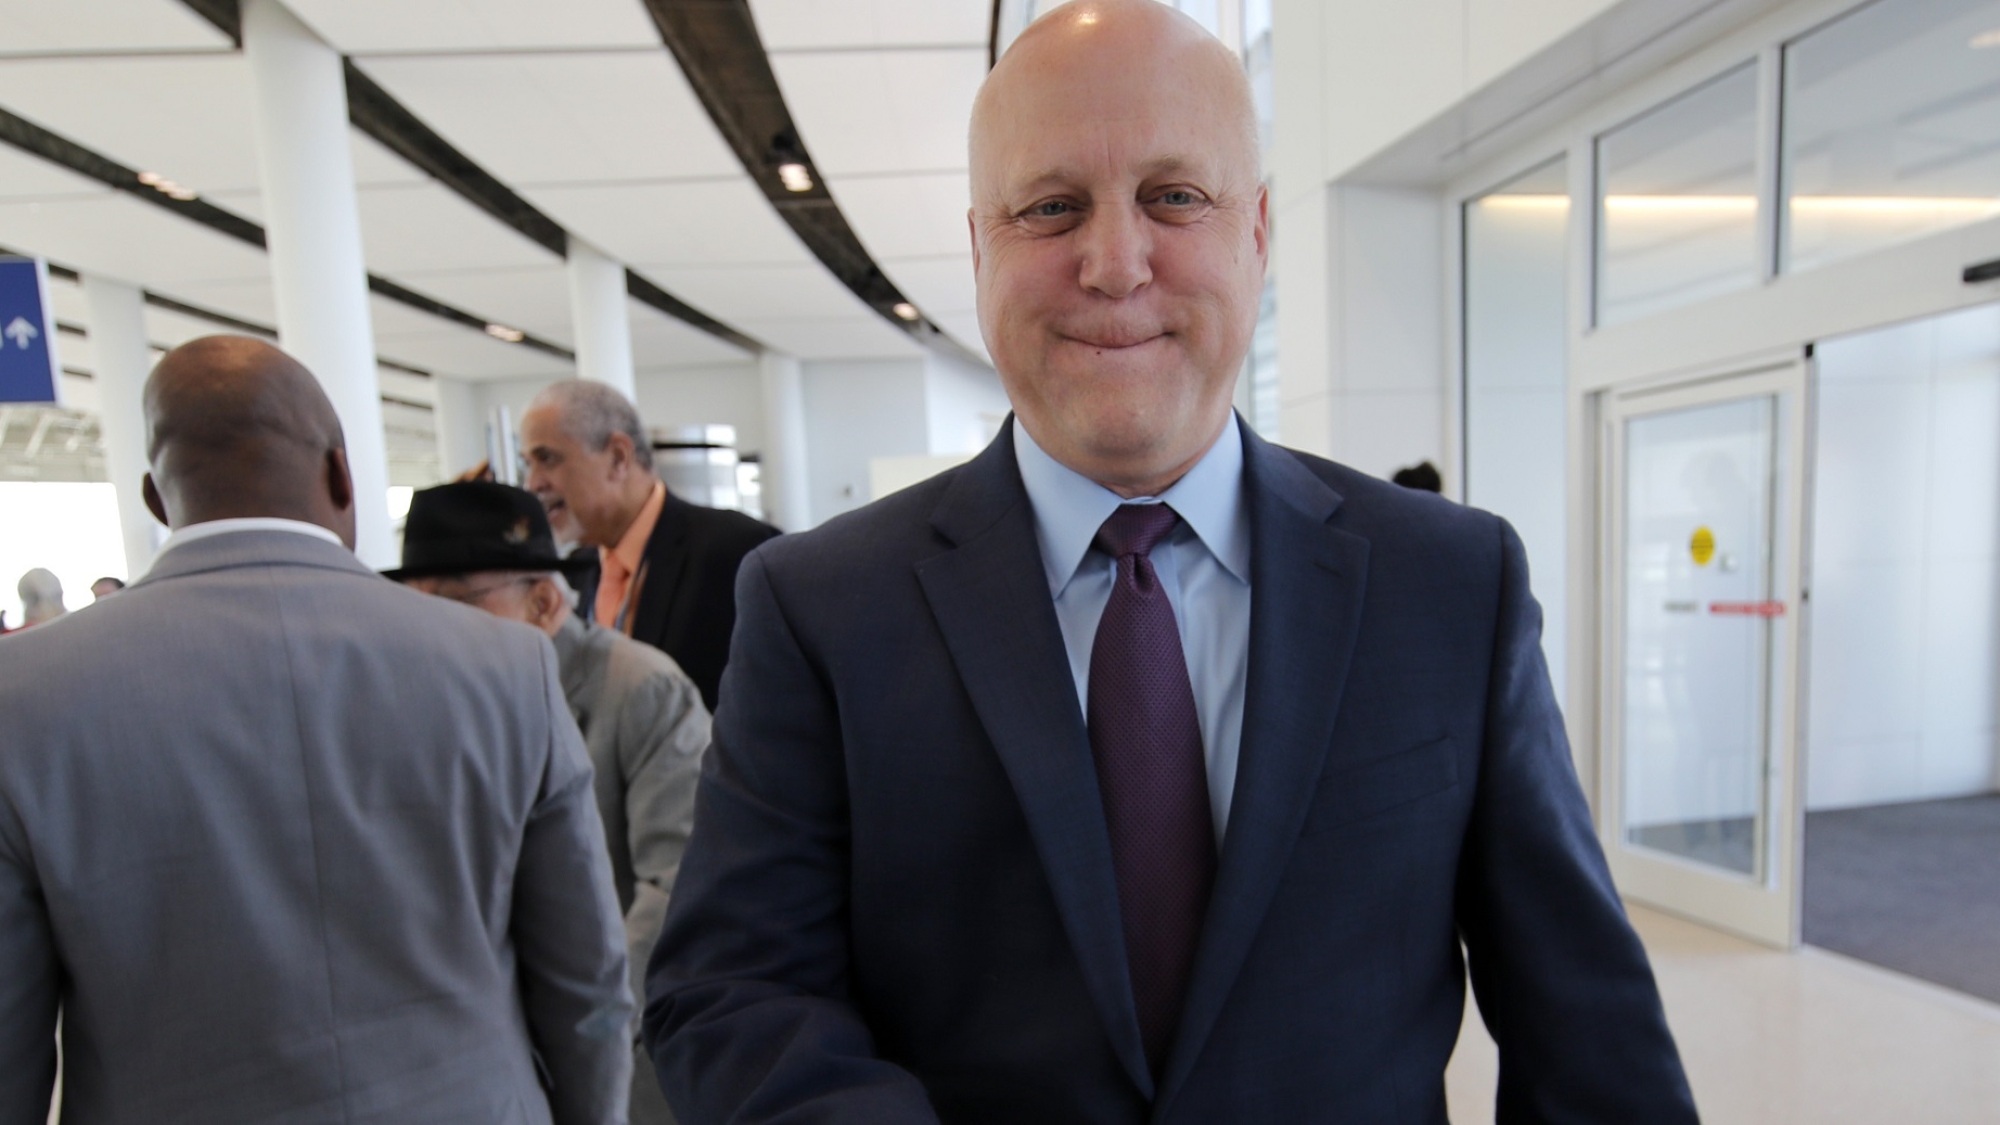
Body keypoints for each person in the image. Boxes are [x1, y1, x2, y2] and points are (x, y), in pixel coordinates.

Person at [641, 3, 1697, 1123]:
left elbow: (1584, 1026)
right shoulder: (818, 607)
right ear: (978, 248)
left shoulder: (1448, 583)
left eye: (1172, 197)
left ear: (1256, 232)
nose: (1112, 263)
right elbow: (734, 992)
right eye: (1050, 207)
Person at [0, 336, 633, 1124]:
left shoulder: (24, 696)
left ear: (156, 499)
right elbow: (589, 989)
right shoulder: (507, 670)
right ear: (343, 476)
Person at [389, 479, 710, 1125]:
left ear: (542, 601)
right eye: (411, 610)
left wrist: (581, 1024)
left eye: (453, 606)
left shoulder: (641, 688)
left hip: (627, 1053)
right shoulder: (418, 704)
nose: (431, 634)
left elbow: (675, 882)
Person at [519, 380, 778, 711]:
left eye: (547, 459)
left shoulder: (736, 552)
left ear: (618, 457)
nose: (533, 483)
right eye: (528, 463)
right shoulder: (576, 576)